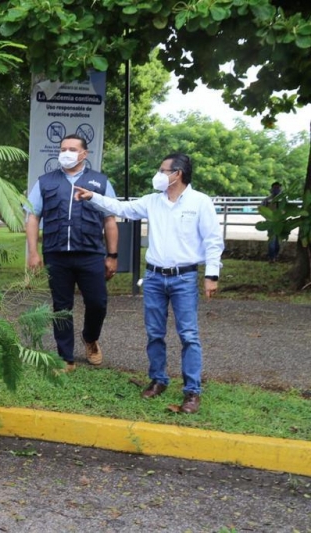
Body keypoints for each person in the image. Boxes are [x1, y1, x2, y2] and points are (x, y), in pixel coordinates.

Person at [73, 152, 224, 414]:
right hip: (154, 277)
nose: (158, 175)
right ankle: (158, 379)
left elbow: (213, 240)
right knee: (154, 332)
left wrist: (211, 275)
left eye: (163, 170)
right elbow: (123, 208)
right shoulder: (153, 201)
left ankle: (192, 391)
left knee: (188, 335)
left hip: (184, 277)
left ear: (177, 174)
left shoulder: (200, 202)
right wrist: (92, 196)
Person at [25, 134, 119, 372]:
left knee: (98, 303)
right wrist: (33, 253)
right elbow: (33, 217)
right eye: (63, 149)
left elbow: (109, 220)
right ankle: (65, 357)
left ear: (84, 154)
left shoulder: (100, 182)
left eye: (72, 149)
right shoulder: (45, 182)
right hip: (56, 255)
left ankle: (90, 338)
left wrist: (112, 255)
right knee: (61, 307)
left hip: (90, 254)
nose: (66, 153)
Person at [261, 182, 283, 263]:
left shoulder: (283, 200)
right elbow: (262, 209)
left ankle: (275, 256)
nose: (276, 190)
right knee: (272, 241)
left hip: (280, 223)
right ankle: (272, 258)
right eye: (275, 188)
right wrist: (267, 218)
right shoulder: (267, 200)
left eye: (278, 188)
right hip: (270, 222)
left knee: (277, 242)